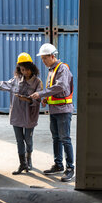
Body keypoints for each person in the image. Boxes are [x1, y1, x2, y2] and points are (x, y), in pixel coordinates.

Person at [0, 52, 43, 175]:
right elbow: (3, 84)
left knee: (28, 139)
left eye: (27, 69)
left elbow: (39, 98)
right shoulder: (16, 80)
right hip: (17, 114)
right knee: (19, 140)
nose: (25, 72)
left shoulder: (37, 82)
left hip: (29, 116)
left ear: (31, 68)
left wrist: (28, 99)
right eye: (22, 70)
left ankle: (29, 159)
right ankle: (22, 164)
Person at [29, 43, 75, 182]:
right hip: (54, 110)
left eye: (44, 58)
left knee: (65, 138)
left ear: (52, 56)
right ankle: (58, 165)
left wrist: (41, 94)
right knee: (56, 138)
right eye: (42, 59)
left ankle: (70, 168)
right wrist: (46, 100)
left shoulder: (62, 69)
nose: (43, 61)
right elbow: (53, 90)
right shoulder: (52, 70)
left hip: (63, 110)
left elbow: (61, 87)